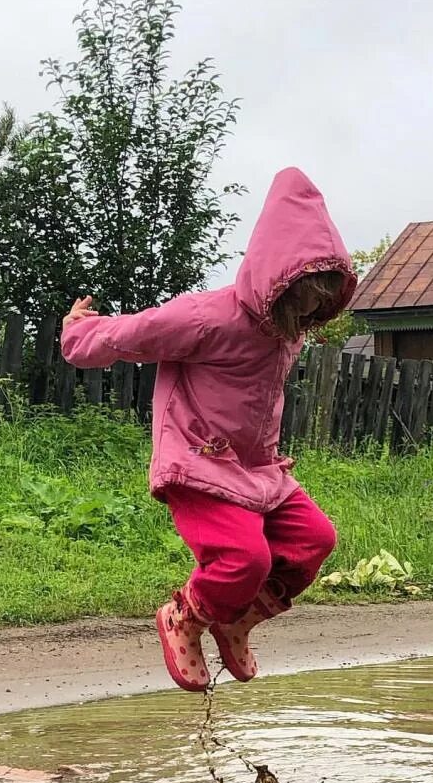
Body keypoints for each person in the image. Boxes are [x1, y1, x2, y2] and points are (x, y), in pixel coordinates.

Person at [60, 167, 357, 692]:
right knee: (245, 559)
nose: (312, 310)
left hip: (258, 469)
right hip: (196, 461)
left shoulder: (288, 331)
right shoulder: (208, 318)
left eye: (322, 299)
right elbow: (134, 332)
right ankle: (184, 617)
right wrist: (80, 334)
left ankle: (235, 620)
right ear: (277, 279)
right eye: (305, 297)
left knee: (314, 539)